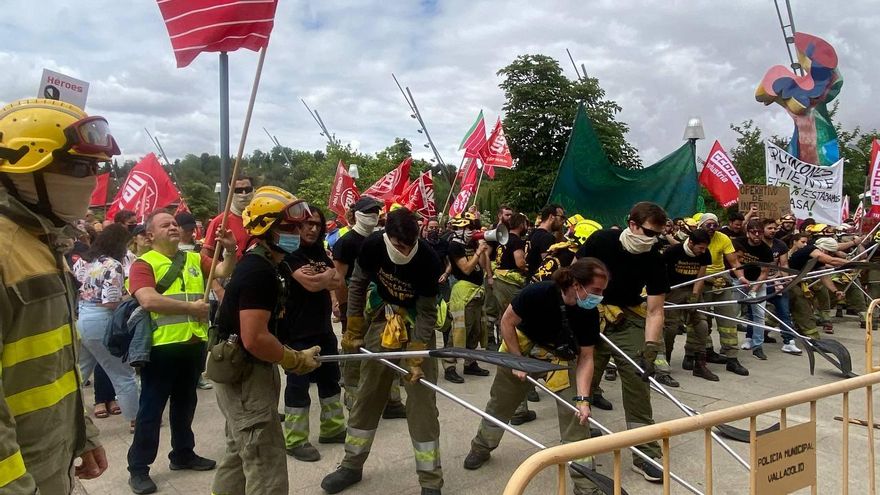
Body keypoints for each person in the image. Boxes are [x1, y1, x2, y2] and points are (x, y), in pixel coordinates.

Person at [0, 97, 114, 492]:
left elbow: (60, 365)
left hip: (53, 456)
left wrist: (84, 434)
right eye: (81, 167)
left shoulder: (45, 244)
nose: (90, 180)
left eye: (97, 169)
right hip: (20, 475)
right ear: (24, 168)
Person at [321, 208, 444, 495]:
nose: (406, 250)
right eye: (400, 245)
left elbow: (427, 313)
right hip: (383, 320)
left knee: (423, 406)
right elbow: (359, 284)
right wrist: (353, 328)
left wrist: (416, 355)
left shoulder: (428, 259)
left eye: (411, 244)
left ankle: (430, 481)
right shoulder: (373, 246)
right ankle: (351, 465)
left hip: (416, 329)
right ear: (387, 237)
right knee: (367, 396)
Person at [463, 258, 609, 494]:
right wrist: (518, 361)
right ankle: (481, 446)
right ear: (575, 284)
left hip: (560, 360)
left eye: (603, 291)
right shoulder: (537, 293)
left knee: (577, 418)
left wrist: (583, 399)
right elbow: (507, 322)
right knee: (500, 405)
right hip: (522, 349)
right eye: (596, 290)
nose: (600, 296)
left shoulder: (589, 313)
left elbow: (586, 359)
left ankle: (585, 485)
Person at [210, 186, 322, 495]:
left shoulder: (267, 263)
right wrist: (293, 359)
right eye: (289, 227)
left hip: (243, 372)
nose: (298, 232)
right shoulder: (258, 271)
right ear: (266, 230)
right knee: (265, 459)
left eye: (299, 225)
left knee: (238, 450)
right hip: (246, 375)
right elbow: (255, 338)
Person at [126, 210, 237, 493]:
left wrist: (231, 249)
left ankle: (183, 453)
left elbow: (224, 271)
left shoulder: (194, 257)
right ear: (150, 235)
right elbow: (148, 300)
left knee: (186, 404)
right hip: (162, 348)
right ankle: (138, 468)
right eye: (166, 225)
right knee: (151, 409)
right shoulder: (143, 264)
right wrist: (191, 309)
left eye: (175, 223)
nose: (174, 227)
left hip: (193, 343)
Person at [575, 201, 668, 482]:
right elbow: (574, 277)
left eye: (657, 235)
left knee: (638, 378)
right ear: (633, 225)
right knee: (583, 378)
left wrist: (651, 347)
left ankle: (645, 452)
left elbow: (655, 310)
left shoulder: (654, 257)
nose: (653, 240)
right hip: (591, 312)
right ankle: (578, 439)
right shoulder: (602, 241)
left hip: (627, 318)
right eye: (649, 233)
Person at [279, 205, 346, 462]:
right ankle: (295, 440)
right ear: (296, 225)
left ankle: (333, 428)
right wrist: (325, 276)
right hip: (297, 332)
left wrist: (325, 275)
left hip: (324, 330)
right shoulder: (289, 253)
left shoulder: (319, 252)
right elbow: (311, 282)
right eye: (307, 223)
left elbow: (337, 280)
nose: (312, 228)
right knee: (298, 386)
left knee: (330, 380)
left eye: (317, 224)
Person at [332, 196, 406, 417]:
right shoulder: (345, 243)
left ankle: (392, 402)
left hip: (382, 307)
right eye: (368, 212)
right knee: (354, 353)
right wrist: (343, 307)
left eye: (376, 211)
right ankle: (356, 403)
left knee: (389, 349)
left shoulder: (381, 239)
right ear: (356, 214)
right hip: (355, 308)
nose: (373, 215)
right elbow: (338, 279)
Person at [75, 224, 141, 432]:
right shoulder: (113, 265)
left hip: (81, 319)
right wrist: (133, 296)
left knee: (79, 374)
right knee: (122, 374)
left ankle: (68, 417)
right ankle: (136, 420)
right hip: (102, 320)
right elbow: (110, 301)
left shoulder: (84, 262)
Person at [697, 213, 750, 376]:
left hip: (722, 279)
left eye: (715, 224)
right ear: (702, 225)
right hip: (702, 280)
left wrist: (741, 277)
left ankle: (732, 358)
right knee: (702, 321)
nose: (712, 228)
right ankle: (707, 351)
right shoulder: (695, 238)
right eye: (708, 225)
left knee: (728, 318)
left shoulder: (724, 238)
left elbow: (734, 262)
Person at [663, 229, 718, 381]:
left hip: (692, 290)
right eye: (700, 247)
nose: (704, 250)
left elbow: (700, 278)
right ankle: (664, 363)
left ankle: (699, 364)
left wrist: (695, 296)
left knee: (702, 325)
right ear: (691, 242)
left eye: (705, 247)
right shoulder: (673, 251)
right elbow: (660, 273)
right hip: (673, 291)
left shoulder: (704, 254)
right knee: (671, 328)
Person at [444, 212, 492, 383]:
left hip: (476, 291)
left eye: (473, 227)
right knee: (459, 331)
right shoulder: (455, 246)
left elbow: (484, 267)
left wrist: (483, 251)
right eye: (468, 228)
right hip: (463, 293)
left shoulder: (470, 244)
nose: (472, 231)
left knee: (475, 330)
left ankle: (470, 363)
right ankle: (449, 365)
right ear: (459, 229)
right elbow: (466, 269)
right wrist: (478, 252)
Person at [788, 237, 849, 340]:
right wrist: (851, 263)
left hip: (797, 283)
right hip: (789, 282)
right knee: (804, 310)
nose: (831, 254)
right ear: (825, 249)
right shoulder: (810, 250)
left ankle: (800, 331)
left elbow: (824, 276)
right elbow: (832, 260)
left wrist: (835, 291)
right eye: (830, 252)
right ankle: (813, 339)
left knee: (785, 308)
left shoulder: (818, 260)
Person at [760, 219, 802, 355]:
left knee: (784, 312)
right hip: (757, 283)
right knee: (755, 314)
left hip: (776, 282)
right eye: (769, 228)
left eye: (774, 228)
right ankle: (753, 340)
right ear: (762, 229)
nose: (772, 230)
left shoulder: (780, 245)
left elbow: (784, 264)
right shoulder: (756, 244)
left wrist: (786, 278)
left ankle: (789, 342)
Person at [733, 220, 774, 360]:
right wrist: (741, 278)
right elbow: (735, 262)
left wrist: (754, 290)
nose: (757, 235)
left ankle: (758, 346)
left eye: (760, 232)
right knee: (731, 313)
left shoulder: (766, 250)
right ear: (748, 232)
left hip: (758, 282)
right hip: (737, 280)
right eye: (754, 232)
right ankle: (728, 345)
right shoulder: (739, 243)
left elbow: (764, 273)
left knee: (759, 315)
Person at [526, 204, 565, 278]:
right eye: (562, 218)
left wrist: (559, 228)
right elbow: (547, 263)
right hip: (534, 281)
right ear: (551, 217)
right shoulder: (547, 238)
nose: (563, 221)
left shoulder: (534, 232)